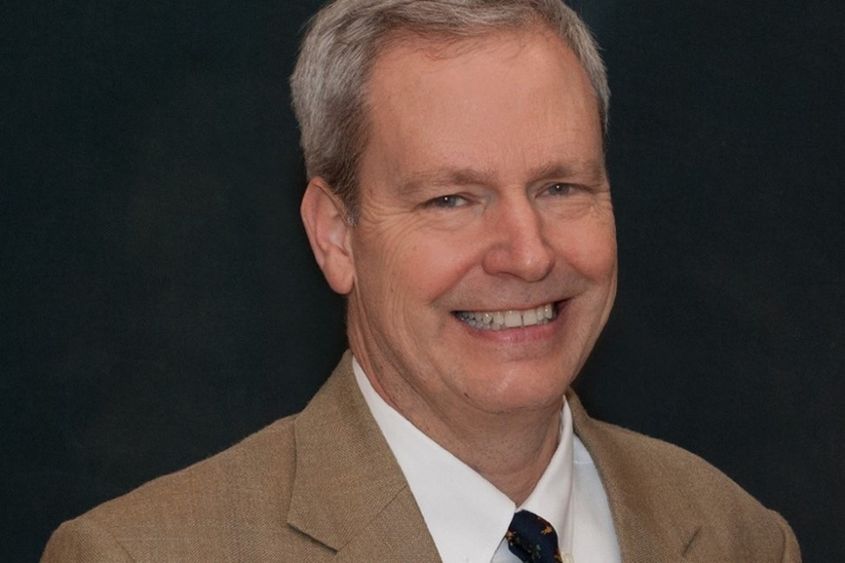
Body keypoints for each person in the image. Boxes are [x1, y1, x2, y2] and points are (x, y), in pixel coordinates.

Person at [42, 1, 801, 561]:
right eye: (452, 199)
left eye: (560, 187)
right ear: (335, 235)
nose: (527, 255)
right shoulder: (140, 552)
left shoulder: (738, 535)